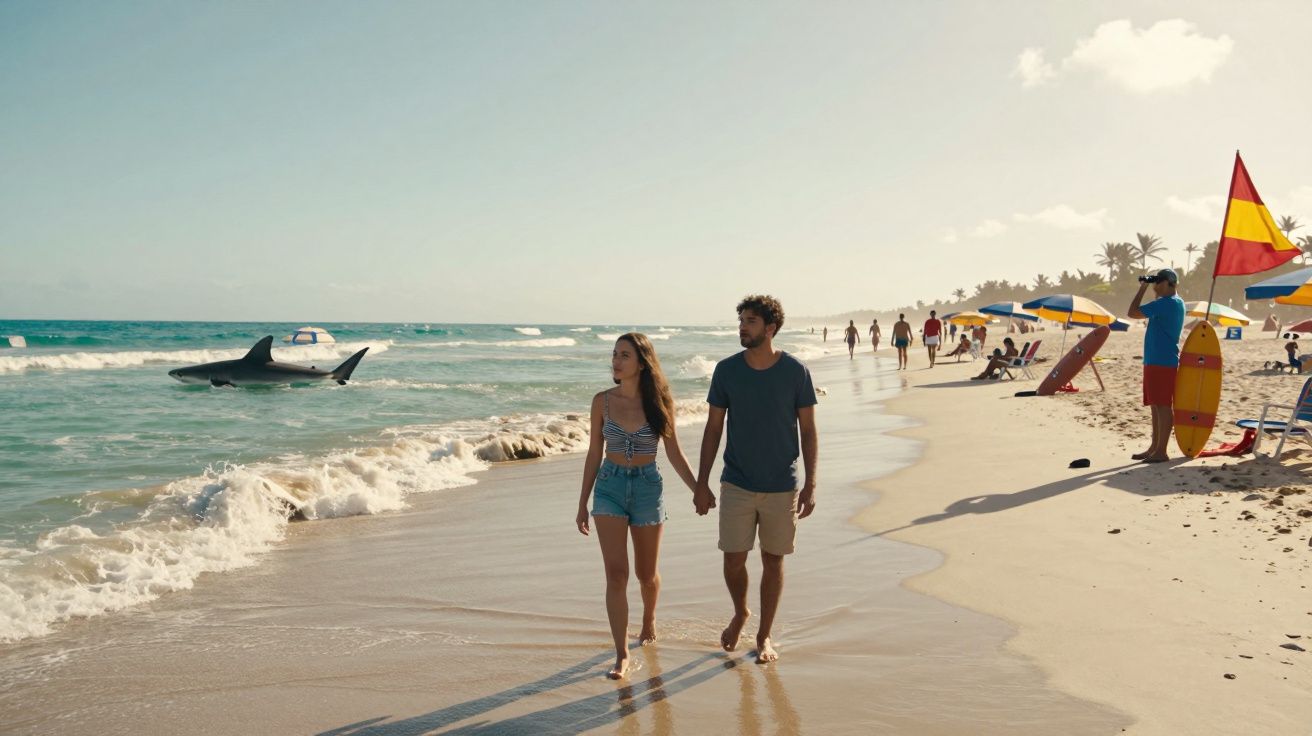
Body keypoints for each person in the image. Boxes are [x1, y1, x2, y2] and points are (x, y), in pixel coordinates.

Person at [695, 295, 818, 665]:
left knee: (773, 561)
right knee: (733, 558)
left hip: (782, 483)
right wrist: (701, 482)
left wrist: (811, 483)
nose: (742, 327)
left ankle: (764, 636)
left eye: (750, 321)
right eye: (741, 321)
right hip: (736, 481)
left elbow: (809, 430)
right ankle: (740, 612)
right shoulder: (727, 371)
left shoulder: (796, 372)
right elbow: (713, 428)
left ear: (770, 328)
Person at [576, 333, 699, 679]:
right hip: (610, 487)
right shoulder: (601, 402)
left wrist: (697, 489)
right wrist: (582, 502)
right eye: (614, 354)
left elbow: (674, 453)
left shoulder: (660, 403)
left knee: (646, 575)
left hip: (647, 488)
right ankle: (621, 654)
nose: (615, 361)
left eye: (624, 355)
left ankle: (649, 621)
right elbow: (592, 453)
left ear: (642, 363)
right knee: (616, 575)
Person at [1128, 268, 1186, 463]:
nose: (1154, 286)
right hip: (1156, 360)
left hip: (1163, 361)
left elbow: (1132, 312)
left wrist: (1142, 288)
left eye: (1156, 283)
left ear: (1167, 283)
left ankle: (1161, 451)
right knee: (1156, 405)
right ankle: (1155, 447)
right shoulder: (1172, 303)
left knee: (1162, 405)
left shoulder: (1167, 303)